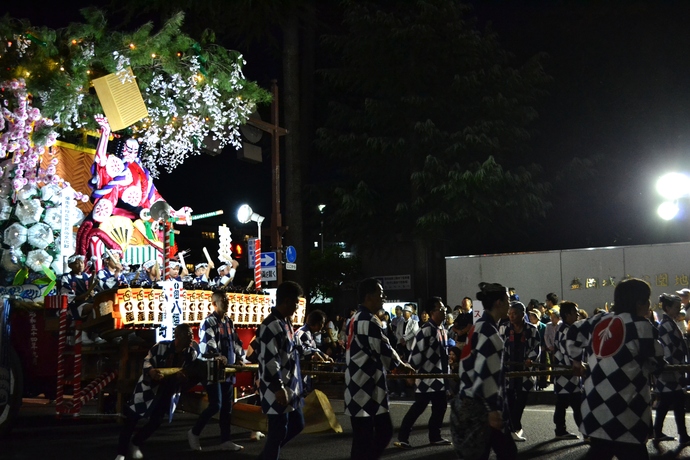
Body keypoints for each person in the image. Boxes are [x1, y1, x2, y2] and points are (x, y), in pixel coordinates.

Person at [567, 278, 664, 460]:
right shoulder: (641, 326)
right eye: (648, 299)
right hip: (627, 410)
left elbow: (572, 331)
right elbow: (657, 362)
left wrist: (576, 361)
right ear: (639, 302)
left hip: (594, 407)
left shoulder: (597, 320)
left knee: (599, 451)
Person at [345, 278, 415, 460]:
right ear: (369, 297)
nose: (384, 296)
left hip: (360, 384)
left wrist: (398, 364)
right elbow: (384, 349)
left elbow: (383, 348)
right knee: (374, 435)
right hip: (365, 387)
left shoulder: (356, 318)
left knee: (367, 438)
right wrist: (400, 366)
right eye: (380, 293)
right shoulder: (368, 320)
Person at [450, 282, 517, 460]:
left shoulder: (479, 325)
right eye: (507, 300)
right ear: (498, 303)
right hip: (481, 408)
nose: (509, 304)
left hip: (471, 401)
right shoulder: (489, 332)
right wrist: (492, 410)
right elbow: (484, 374)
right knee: (505, 453)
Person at [115, 323, 199, 460]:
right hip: (148, 388)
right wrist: (152, 371)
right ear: (177, 336)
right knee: (132, 418)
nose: (191, 338)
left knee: (156, 421)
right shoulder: (161, 347)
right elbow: (147, 362)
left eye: (191, 335)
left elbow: (191, 372)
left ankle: (136, 442)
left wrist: (184, 377)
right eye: (187, 335)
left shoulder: (191, 354)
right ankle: (121, 453)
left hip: (168, 391)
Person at [188, 291, 244, 452]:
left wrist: (240, 356)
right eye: (222, 300)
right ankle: (194, 432)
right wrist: (218, 356)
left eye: (227, 300)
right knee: (216, 404)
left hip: (228, 369)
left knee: (227, 406)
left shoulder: (229, 322)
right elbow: (208, 343)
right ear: (213, 303)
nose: (226, 302)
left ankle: (225, 439)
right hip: (211, 368)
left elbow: (236, 341)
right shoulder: (208, 321)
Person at [256, 281, 306, 460]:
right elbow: (269, 359)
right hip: (276, 387)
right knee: (278, 431)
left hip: (290, 385)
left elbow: (294, 348)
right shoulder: (271, 324)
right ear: (286, 301)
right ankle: (269, 454)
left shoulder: (286, 322)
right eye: (295, 302)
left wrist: (312, 353)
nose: (297, 306)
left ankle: (267, 454)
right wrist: (278, 387)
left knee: (296, 424)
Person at [394, 296, 451, 449]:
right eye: (441, 309)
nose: (445, 311)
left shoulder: (442, 330)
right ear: (432, 312)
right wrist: (411, 373)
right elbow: (416, 354)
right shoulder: (425, 330)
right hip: (426, 378)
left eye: (445, 309)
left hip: (440, 377)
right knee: (418, 407)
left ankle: (435, 436)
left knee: (440, 407)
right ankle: (403, 437)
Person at [653, 293, 690, 445]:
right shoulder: (666, 325)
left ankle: (659, 432)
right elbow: (666, 350)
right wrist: (673, 369)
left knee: (667, 403)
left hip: (671, 370)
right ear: (667, 308)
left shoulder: (668, 323)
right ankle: (682, 435)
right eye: (676, 307)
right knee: (675, 403)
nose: (679, 309)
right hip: (670, 370)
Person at [502, 301, 540, 442]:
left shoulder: (532, 329)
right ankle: (513, 428)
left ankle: (514, 427)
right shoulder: (504, 329)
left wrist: (530, 359)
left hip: (525, 370)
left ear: (522, 314)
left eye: (515, 314)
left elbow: (536, 347)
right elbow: (501, 347)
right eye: (510, 314)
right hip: (509, 370)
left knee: (521, 400)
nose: (511, 317)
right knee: (510, 400)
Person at [552, 301, 582, 440]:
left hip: (566, 371)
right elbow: (567, 352)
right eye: (575, 312)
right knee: (576, 403)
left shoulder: (566, 328)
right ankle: (586, 432)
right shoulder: (566, 330)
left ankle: (560, 430)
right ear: (567, 314)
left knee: (563, 402)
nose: (577, 314)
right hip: (566, 372)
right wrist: (576, 365)